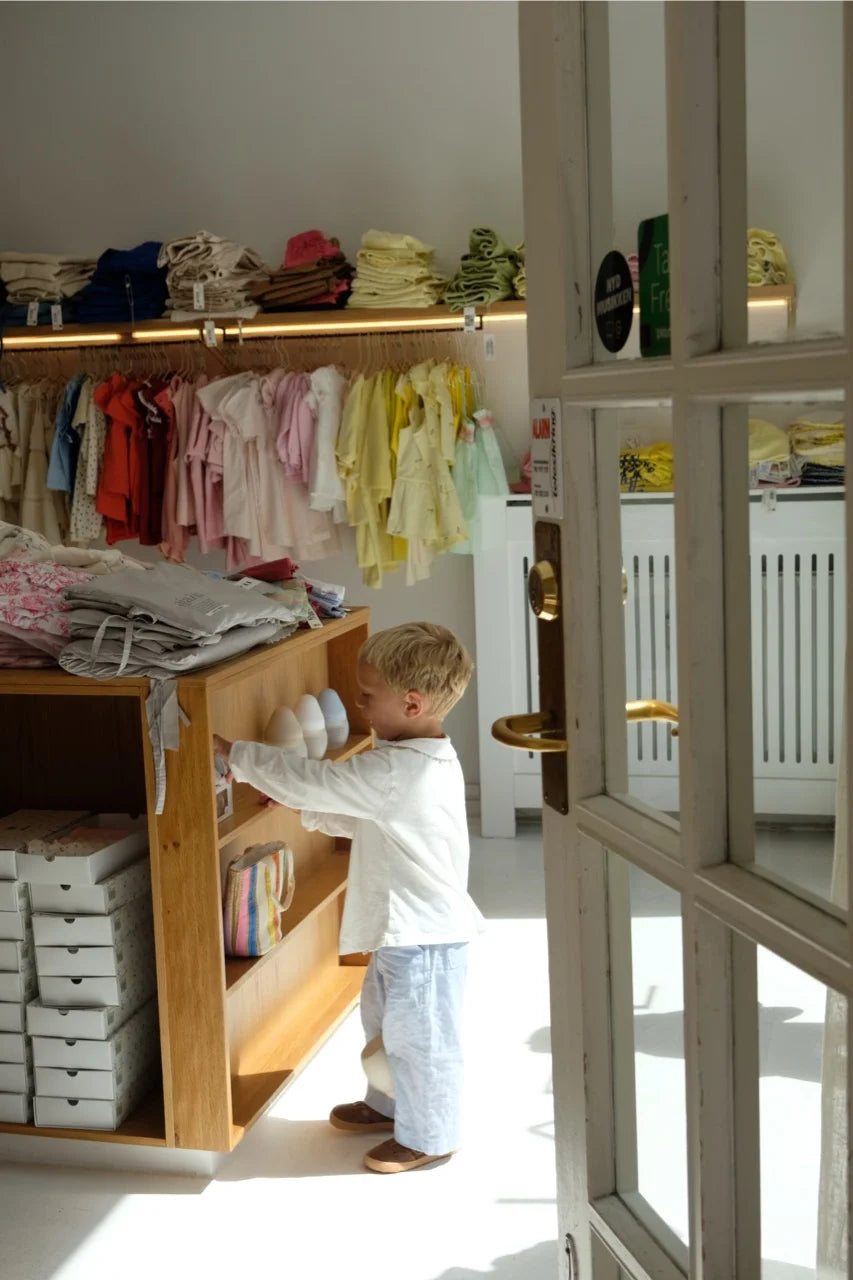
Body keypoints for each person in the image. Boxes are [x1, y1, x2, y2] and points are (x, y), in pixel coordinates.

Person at [212, 620, 484, 1174]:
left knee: (421, 1041)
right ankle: (390, 1106)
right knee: (385, 1028)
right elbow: (359, 814)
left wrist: (237, 756)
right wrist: (290, 801)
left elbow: (322, 784)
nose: (359, 705)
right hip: (402, 933)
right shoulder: (416, 758)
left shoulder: (393, 770)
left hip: (425, 938)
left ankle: (432, 1134)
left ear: (411, 703)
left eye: (367, 696)